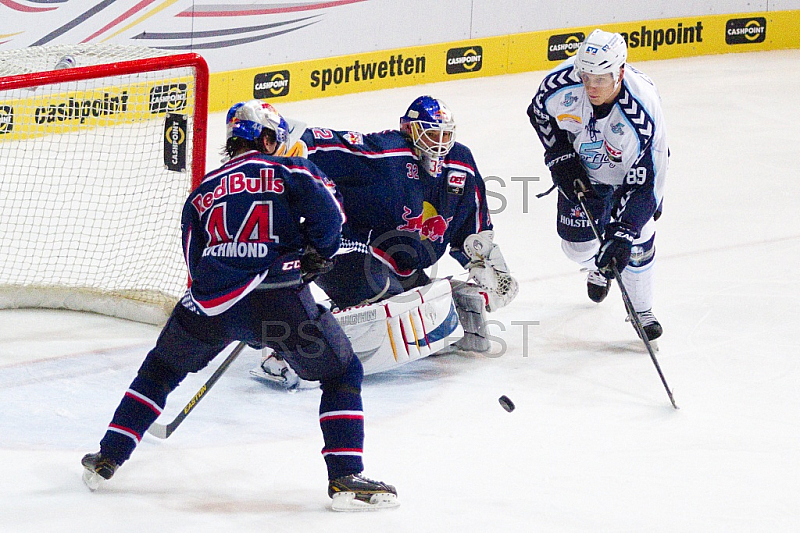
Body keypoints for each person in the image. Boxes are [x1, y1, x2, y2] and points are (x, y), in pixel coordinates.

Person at [81, 100, 398, 512]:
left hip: (210, 308)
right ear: (266, 139)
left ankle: (107, 457)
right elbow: (331, 215)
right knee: (342, 372)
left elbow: (193, 263)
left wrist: (227, 293)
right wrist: (317, 254)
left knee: (160, 370)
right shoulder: (292, 170)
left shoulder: (201, 191)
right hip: (280, 303)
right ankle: (345, 478)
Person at [252, 95, 518, 385]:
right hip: (350, 252)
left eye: (444, 135)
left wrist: (486, 264)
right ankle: (289, 349)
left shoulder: (461, 163)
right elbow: (336, 144)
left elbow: (472, 225)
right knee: (386, 305)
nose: (438, 143)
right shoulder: (387, 153)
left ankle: (382, 312)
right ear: (408, 130)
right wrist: (289, 136)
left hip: (404, 265)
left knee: (419, 306)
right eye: (430, 134)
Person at [527, 29, 668, 341]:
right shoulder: (561, 83)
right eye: (586, 75)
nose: (590, 85)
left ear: (619, 72)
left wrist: (625, 230)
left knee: (635, 240)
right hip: (584, 172)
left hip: (629, 178)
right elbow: (539, 112)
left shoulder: (642, 112)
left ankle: (641, 309)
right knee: (576, 248)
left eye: (600, 79)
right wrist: (559, 154)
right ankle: (598, 264)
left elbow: (649, 184)